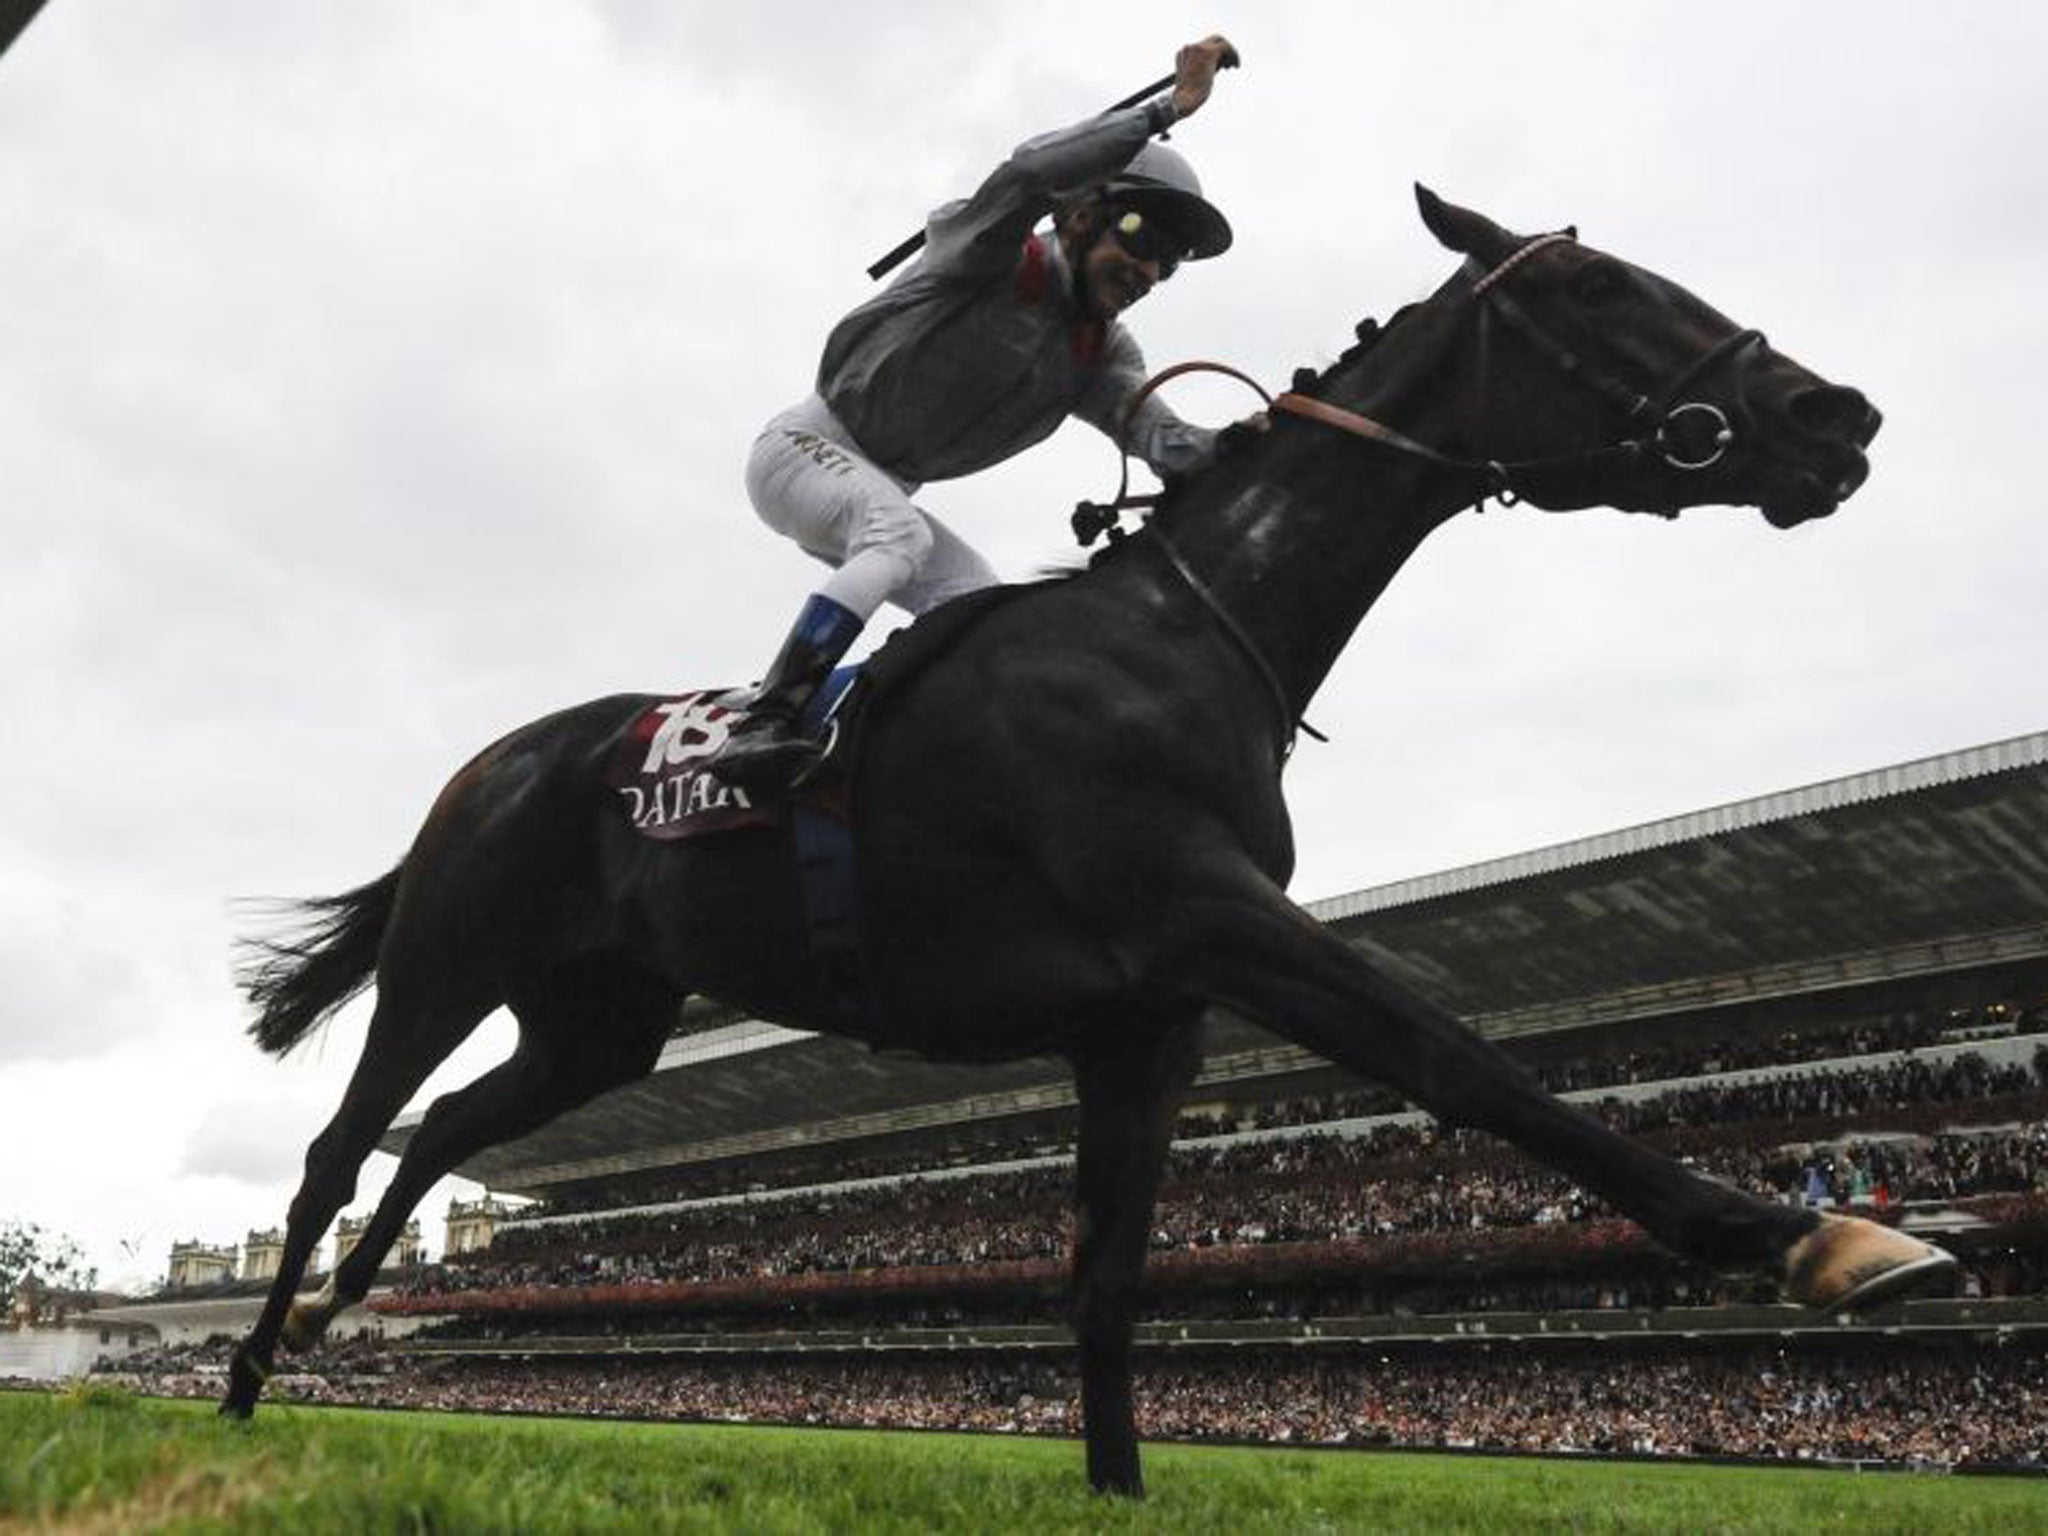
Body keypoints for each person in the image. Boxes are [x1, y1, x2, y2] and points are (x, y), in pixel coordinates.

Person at [709, 34, 1241, 789]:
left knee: (984, 612)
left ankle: (871, 742)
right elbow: (1026, 174)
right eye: (1142, 236)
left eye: (1171, 262)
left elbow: (1171, 444)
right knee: (891, 533)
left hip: (880, 487)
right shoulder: (988, 253)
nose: (1151, 271)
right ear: (1084, 215)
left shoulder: (1100, 354)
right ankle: (764, 720)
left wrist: (1272, 434)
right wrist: (1167, 110)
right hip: (802, 448)